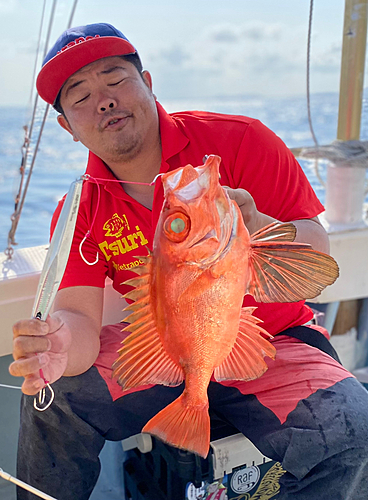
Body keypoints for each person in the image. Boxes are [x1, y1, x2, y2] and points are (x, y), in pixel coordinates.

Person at [9, 23, 368, 500]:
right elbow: (78, 319)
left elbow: (316, 253)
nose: (105, 100)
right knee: (50, 398)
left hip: (273, 344)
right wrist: (58, 344)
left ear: (149, 83)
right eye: (80, 96)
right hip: (161, 348)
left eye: (116, 78)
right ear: (67, 128)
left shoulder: (242, 141)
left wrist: (257, 225)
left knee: (358, 439)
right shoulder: (79, 209)